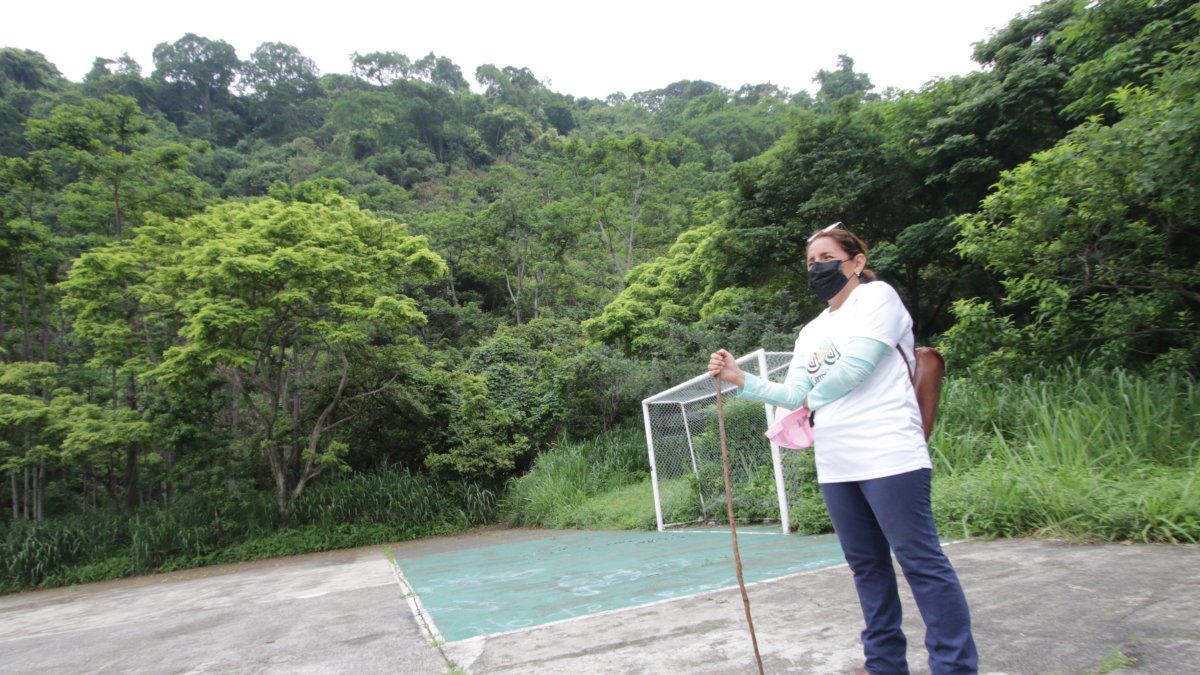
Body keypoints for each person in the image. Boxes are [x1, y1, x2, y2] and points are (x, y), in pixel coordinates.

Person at [707, 225, 978, 675]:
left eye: (826, 257)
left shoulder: (878, 298)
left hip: (888, 450)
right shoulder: (811, 332)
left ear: (855, 262)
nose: (817, 267)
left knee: (920, 562)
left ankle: (954, 666)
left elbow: (855, 367)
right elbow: (793, 394)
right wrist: (739, 379)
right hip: (836, 461)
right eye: (810, 262)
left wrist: (813, 399)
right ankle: (884, 664)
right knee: (867, 568)